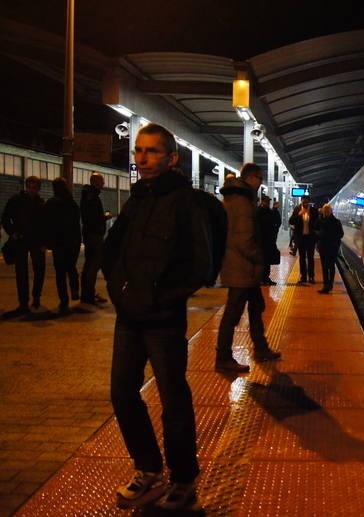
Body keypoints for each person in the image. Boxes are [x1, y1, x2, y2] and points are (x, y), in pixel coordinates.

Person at [102, 122, 211, 510]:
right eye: (138, 151)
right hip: (129, 317)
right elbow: (113, 252)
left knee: (173, 400)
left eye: (151, 151)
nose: (142, 158)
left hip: (163, 320)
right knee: (121, 393)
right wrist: (119, 292)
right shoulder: (137, 199)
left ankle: (184, 478)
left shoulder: (185, 203)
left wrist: (163, 299)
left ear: (171, 158)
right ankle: (149, 468)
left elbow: (201, 264)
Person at [216, 163, 281, 373]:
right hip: (241, 268)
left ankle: (261, 348)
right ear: (250, 177)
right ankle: (223, 357)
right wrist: (259, 258)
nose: (261, 182)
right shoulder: (242, 203)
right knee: (232, 314)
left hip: (244, 268)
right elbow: (243, 240)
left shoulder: (237, 199)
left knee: (256, 307)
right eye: (259, 178)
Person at [1, 175, 46, 318]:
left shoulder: (40, 203)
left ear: (38, 188)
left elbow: (45, 224)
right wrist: (12, 232)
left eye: (34, 188)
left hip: (35, 241)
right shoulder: (17, 200)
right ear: (26, 187)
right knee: (22, 272)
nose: (32, 190)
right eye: (30, 187)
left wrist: (44, 242)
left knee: (38, 269)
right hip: (21, 240)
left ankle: (35, 299)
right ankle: (24, 302)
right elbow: (5, 218)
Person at [43, 177, 81, 315]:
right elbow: (77, 223)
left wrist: (47, 243)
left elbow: (46, 224)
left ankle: (64, 301)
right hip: (72, 242)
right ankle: (75, 290)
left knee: (60, 273)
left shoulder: (51, 203)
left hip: (59, 244)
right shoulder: (71, 202)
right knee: (71, 268)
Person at [80, 172, 111, 305]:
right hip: (93, 235)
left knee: (90, 265)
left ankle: (88, 294)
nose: (103, 184)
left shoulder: (89, 196)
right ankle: (88, 296)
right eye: (102, 181)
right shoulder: (91, 197)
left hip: (91, 234)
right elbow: (93, 218)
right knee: (92, 265)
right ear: (95, 182)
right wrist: (105, 217)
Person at [288, 195, 318, 283]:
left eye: (306, 201)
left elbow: (317, 223)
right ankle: (303, 276)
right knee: (302, 258)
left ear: (309, 202)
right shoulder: (297, 209)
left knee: (310, 258)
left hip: (310, 238)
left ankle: (311, 276)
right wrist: (298, 214)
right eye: (303, 201)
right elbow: (291, 221)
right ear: (301, 201)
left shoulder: (313, 210)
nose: (304, 203)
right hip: (300, 238)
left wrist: (316, 234)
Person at [315, 203, 343, 294]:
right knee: (324, 267)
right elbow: (315, 230)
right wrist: (319, 240)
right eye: (325, 210)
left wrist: (332, 238)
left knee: (331, 266)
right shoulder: (319, 220)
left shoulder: (336, 222)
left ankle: (330, 284)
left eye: (328, 210)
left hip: (332, 247)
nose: (326, 212)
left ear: (331, 211)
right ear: (323, 211)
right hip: (323, 247)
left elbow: (341, 234)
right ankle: (326, 285)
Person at [255, 195, 282, 285]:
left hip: (269, 240)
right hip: (260, 241)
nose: (267, 203)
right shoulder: (258, 212)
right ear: (262, 201)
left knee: (267, 260)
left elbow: (276, 223)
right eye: (266, 201)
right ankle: (259, 278)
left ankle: (266, 278)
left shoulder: (270, 212)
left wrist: (274, 234)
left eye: (268, 202)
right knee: (260, 260)